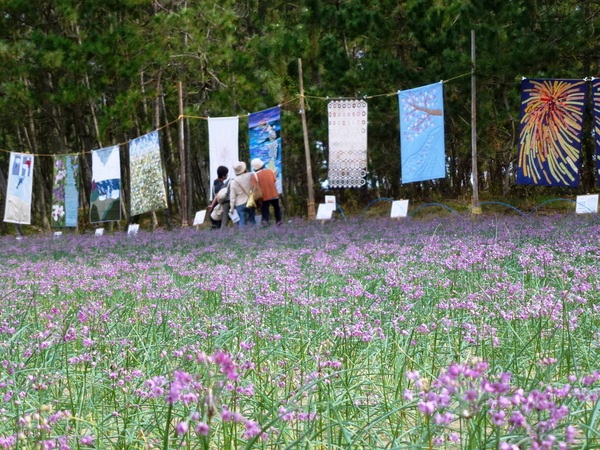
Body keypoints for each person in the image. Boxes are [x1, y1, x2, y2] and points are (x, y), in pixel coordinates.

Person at [251, 157, 282, 226]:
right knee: (277, 209)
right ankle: (279, 223)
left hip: (264, 196)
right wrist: (278, 193)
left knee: (265, 211)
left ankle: (266, 225)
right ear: (262, 165)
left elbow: (254, 188)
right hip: (274, 194)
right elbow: (276, 182)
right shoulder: (270, 171)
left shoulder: (254, 176)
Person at [229, 161, 256, 226]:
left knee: (242, 221)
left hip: (239, 204)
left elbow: (232, 197)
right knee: (252, 220)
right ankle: (255, 234)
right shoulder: (250, 175)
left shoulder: (233, 182)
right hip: (250, 201)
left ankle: (242, 235)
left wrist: (232, 208)